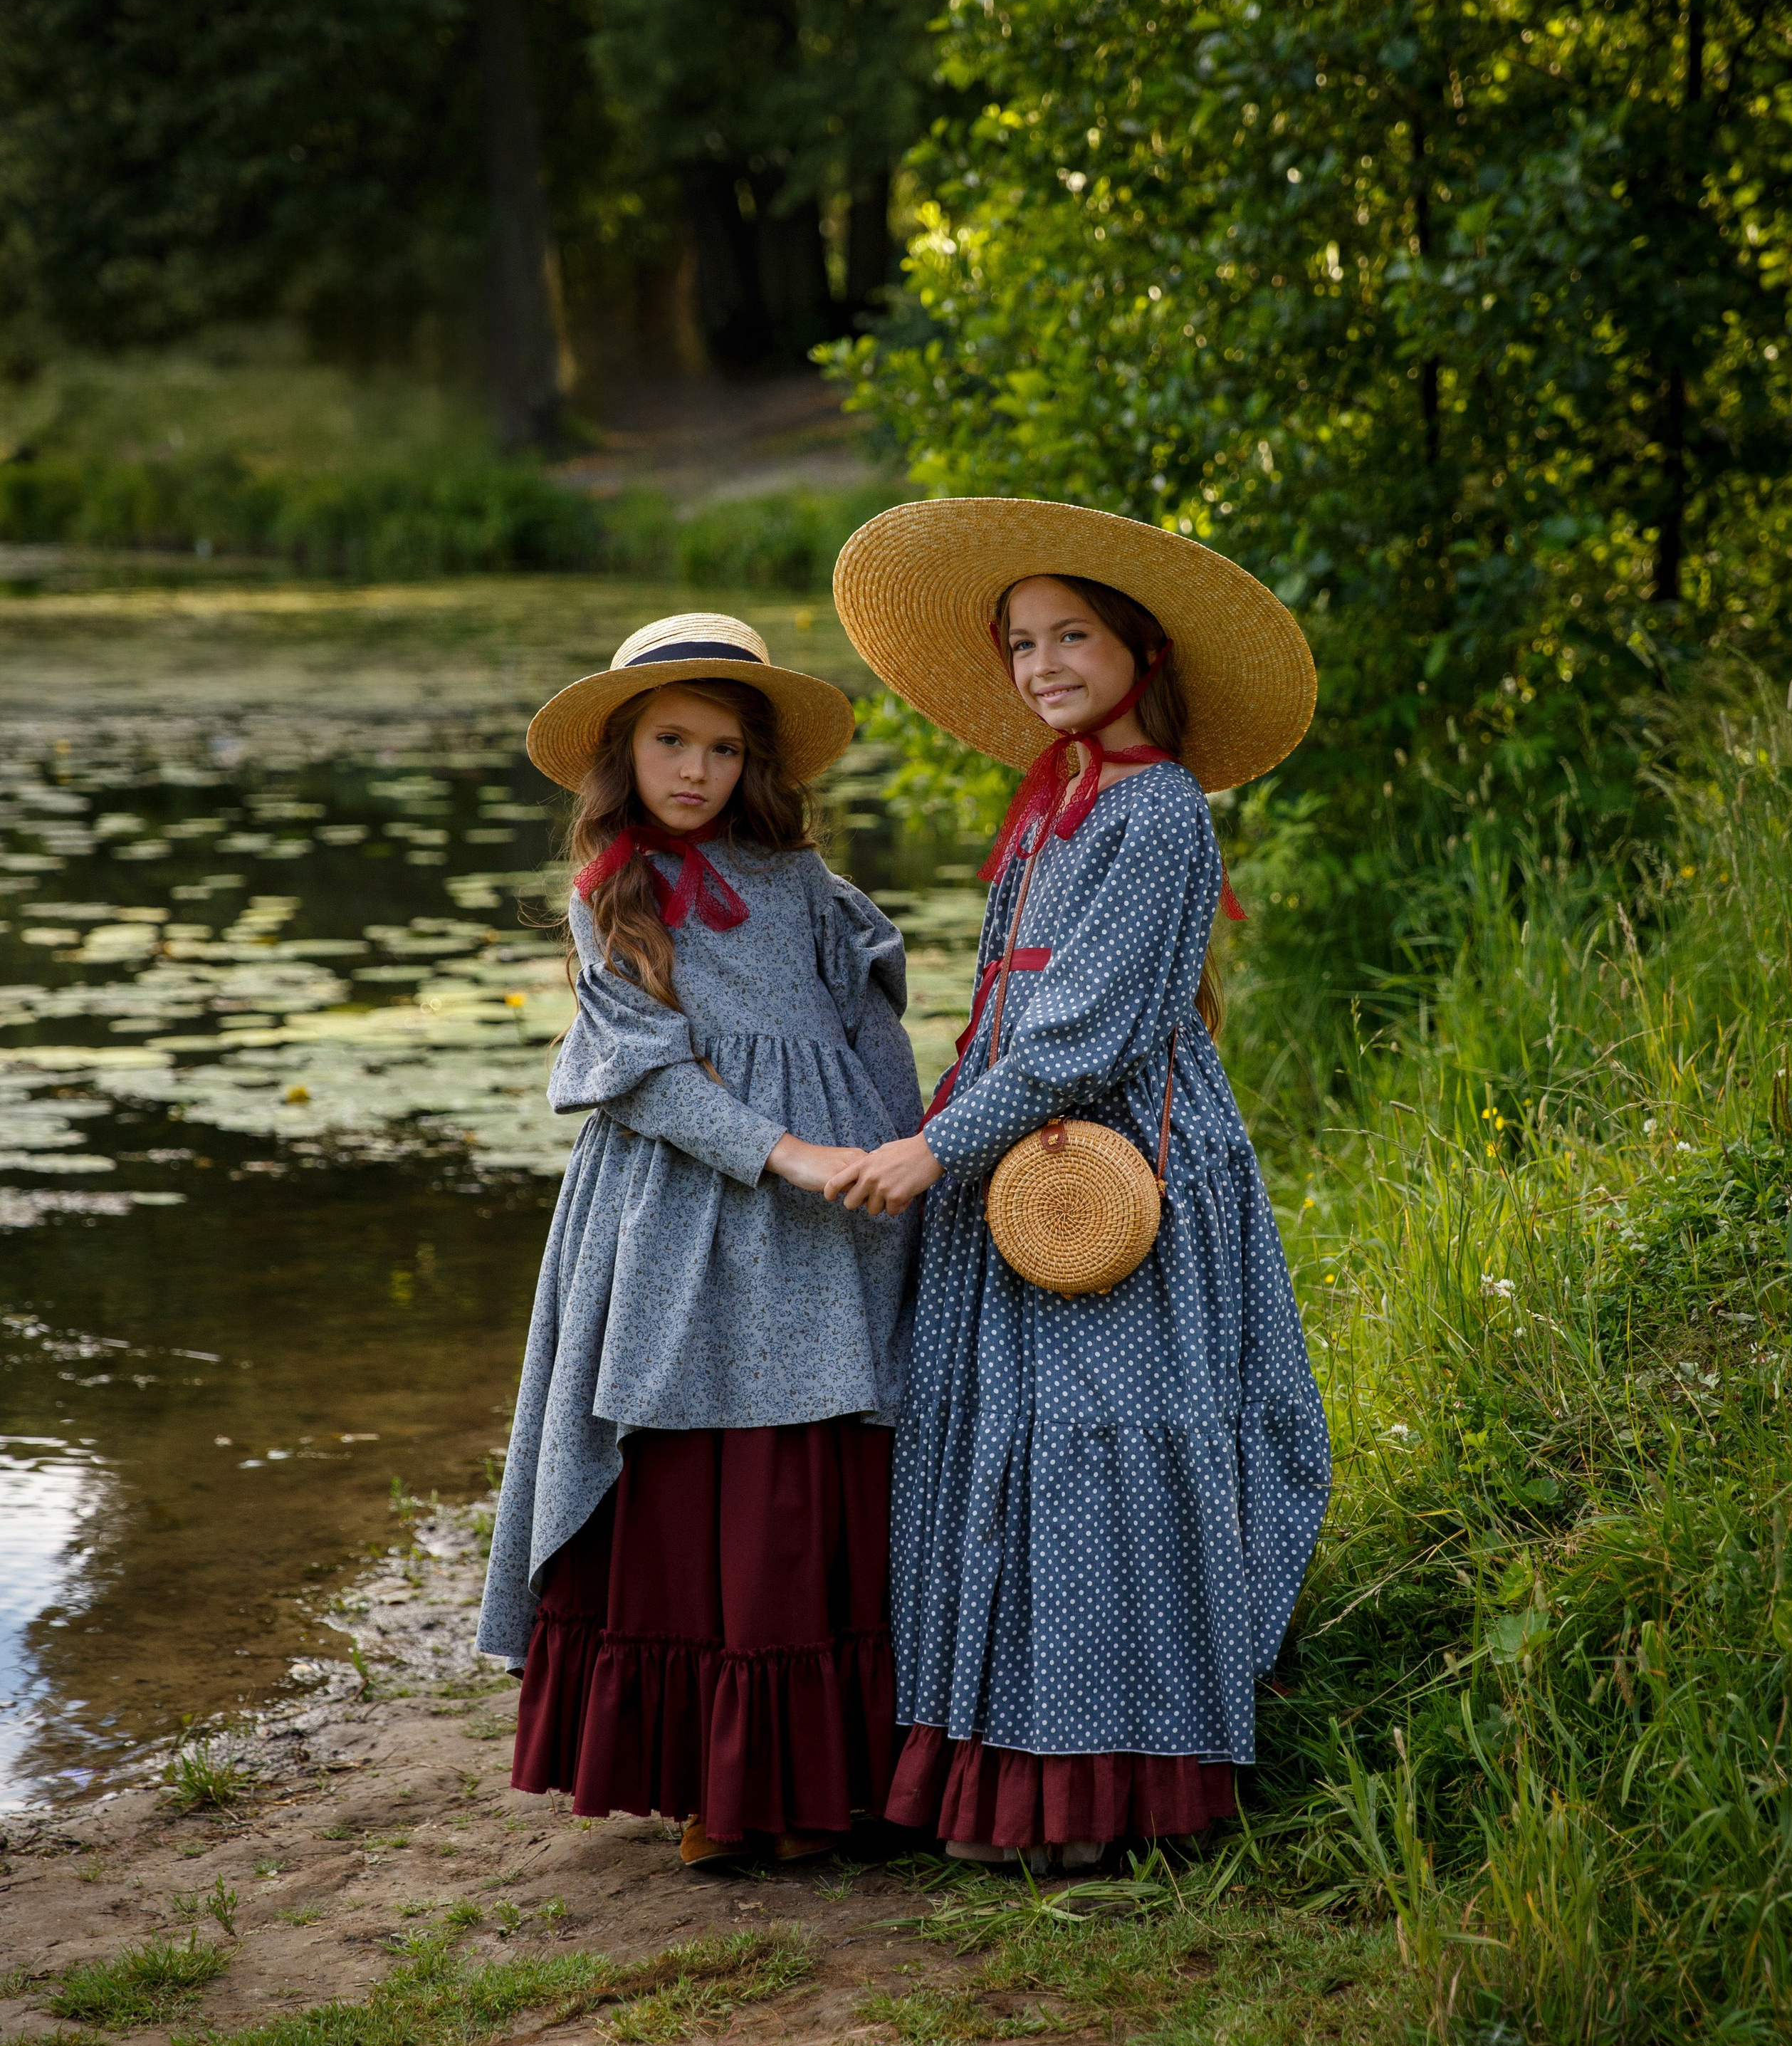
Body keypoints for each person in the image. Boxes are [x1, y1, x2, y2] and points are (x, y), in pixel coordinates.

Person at [827, 499, 1331, 1869]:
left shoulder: (1158, 807)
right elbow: (1010, 996)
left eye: (1073, 636)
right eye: (1021, 643)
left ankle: (1113, 1783)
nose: (1044, 664)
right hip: (1027, 1167)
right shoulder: (1057, 802)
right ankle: (1001, 1760)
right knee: (1008, 1444)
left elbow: (1088, 1029)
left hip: (1113, 1171)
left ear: (1138, 647)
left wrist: (940, 1144)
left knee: (1107, 1445)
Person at [476, 611, 924, 1867]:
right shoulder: (609, 895)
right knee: (702, 1466)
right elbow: (648, 1085)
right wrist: (785, 1154)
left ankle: (829, 1774)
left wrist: (909, 1161)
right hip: (682, 1208)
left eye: (723, 750)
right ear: (623, 751)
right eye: (672, 742)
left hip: (834, 1223)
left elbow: (870, 1038)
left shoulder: (811, 888)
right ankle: (710, 1783)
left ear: (753, 763)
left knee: (817, 1465)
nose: (696, 772)